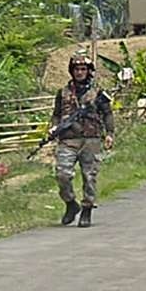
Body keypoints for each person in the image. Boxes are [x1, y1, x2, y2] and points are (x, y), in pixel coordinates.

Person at [49, 51, 115, 227]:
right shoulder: (63, 93)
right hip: (68, 140)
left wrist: (109, 133)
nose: (80, 72)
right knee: (62, 174)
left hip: (91, 139)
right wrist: (53, 128)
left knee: (89, 176)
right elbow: (56, 114)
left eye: (83, 69)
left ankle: (87, 209)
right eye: (76, 69)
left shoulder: (97, 93)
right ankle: (71, 204)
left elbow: (107, 114)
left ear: (88, 71)